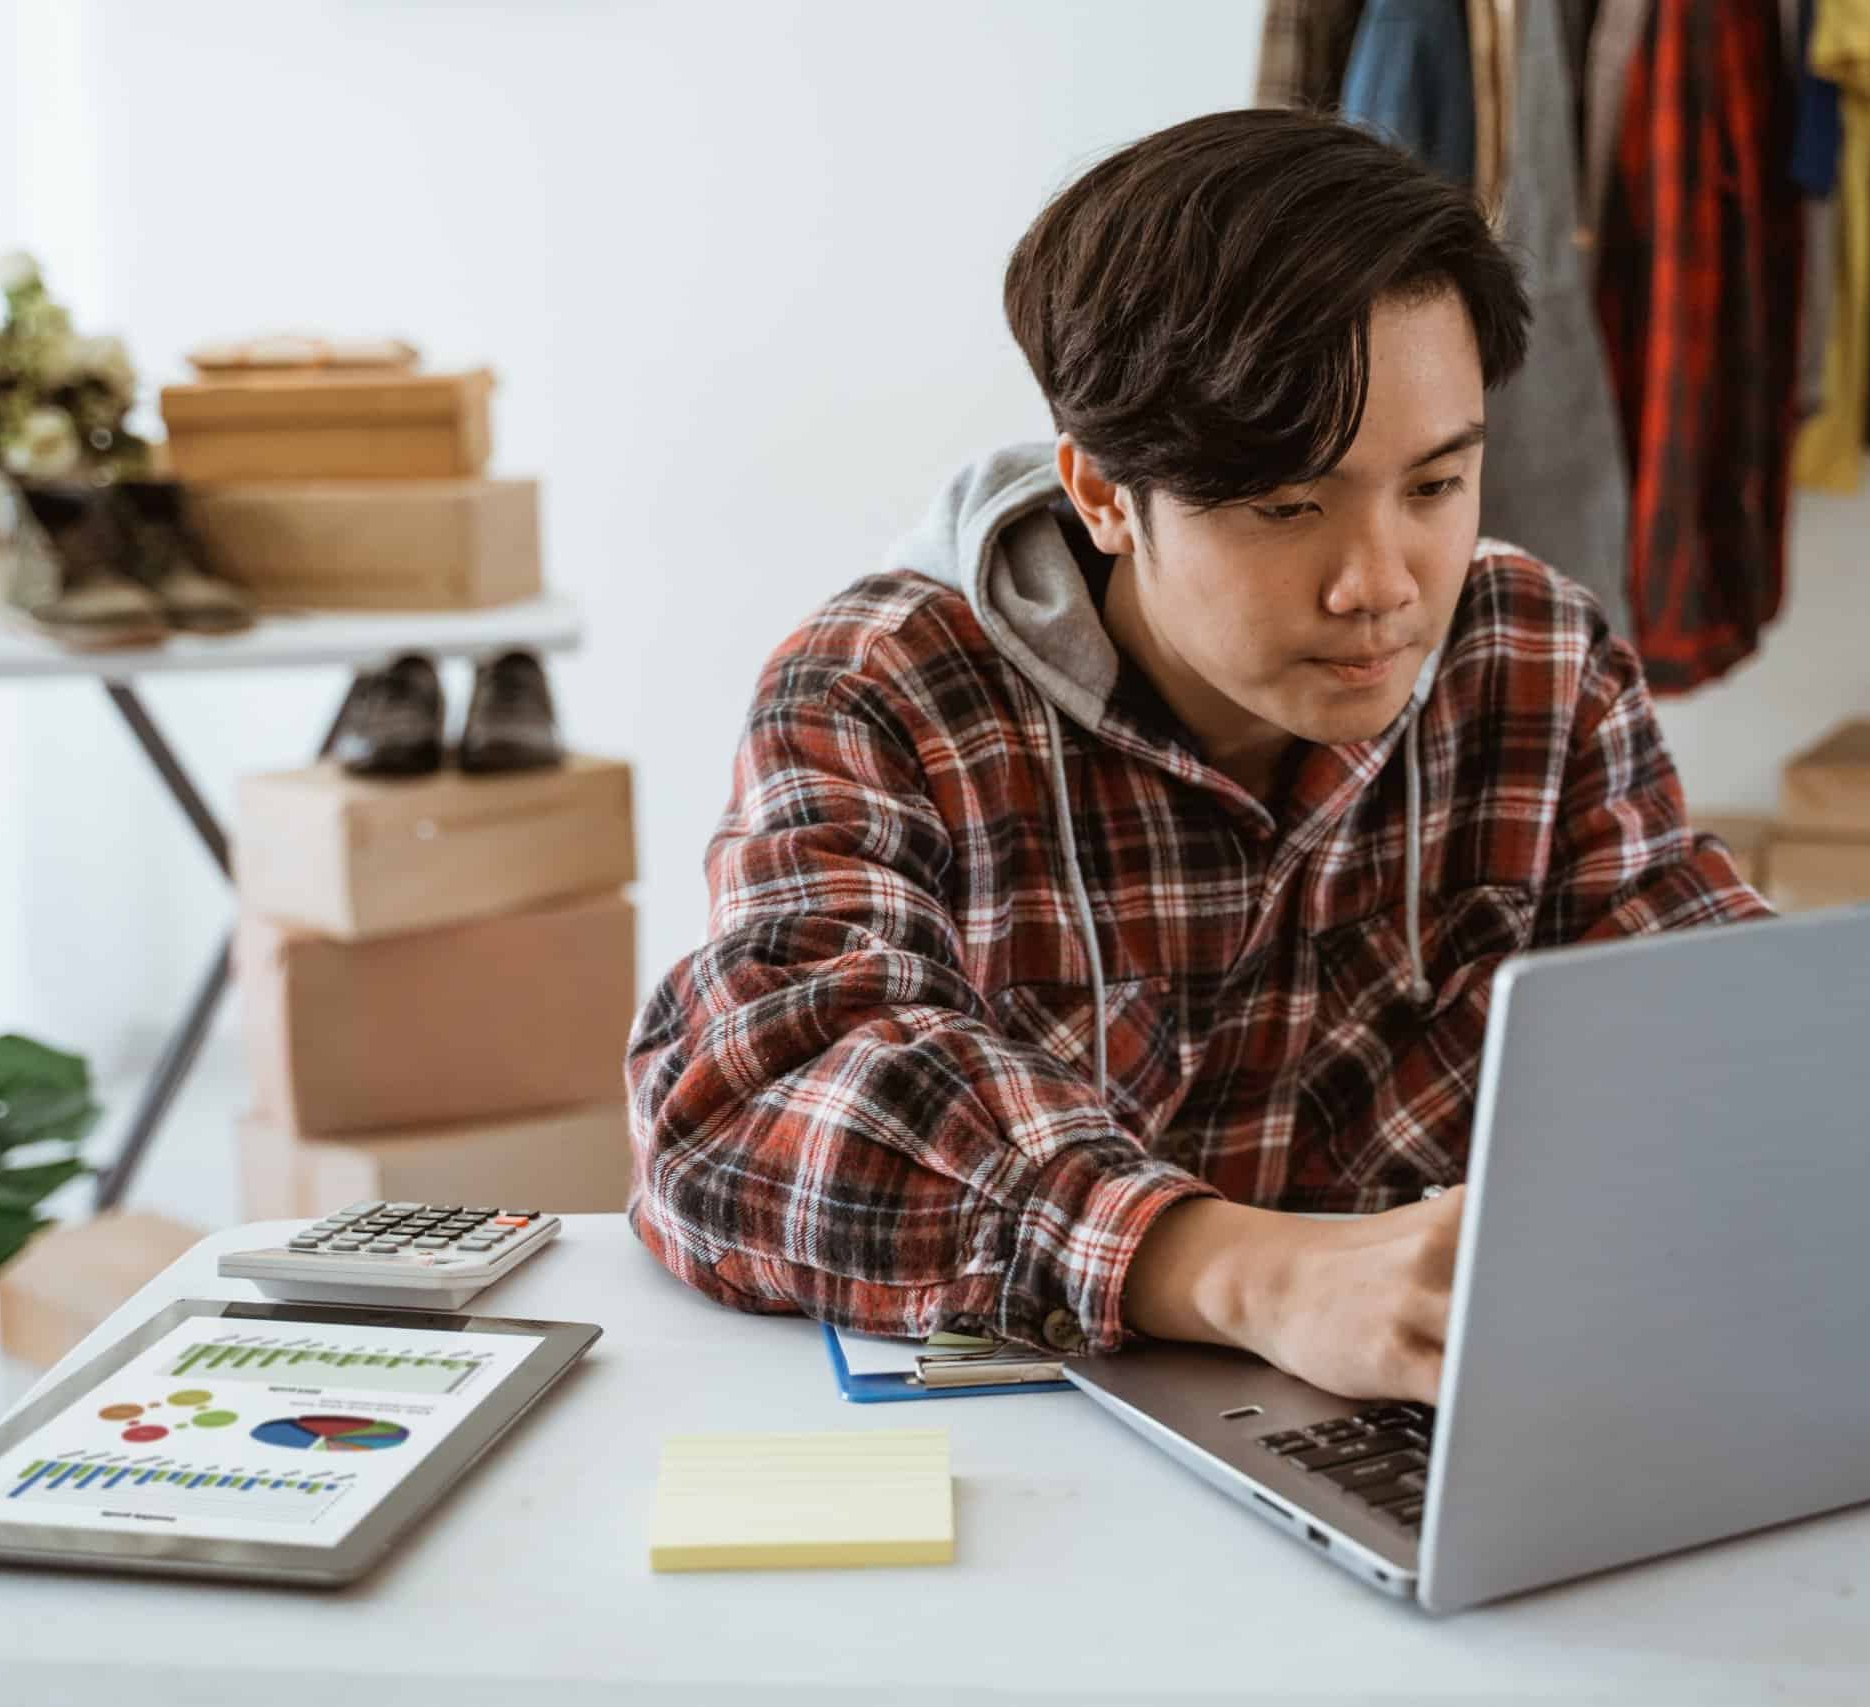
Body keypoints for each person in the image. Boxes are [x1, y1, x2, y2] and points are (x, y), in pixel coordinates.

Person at [624, 108, 1770, 1403]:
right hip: (1033, 1487)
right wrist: (1247, 1273)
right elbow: (737, 1115)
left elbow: (1720, 1025)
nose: (1382, 585)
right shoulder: (883, 690)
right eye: (1289, 508)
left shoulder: (1535, 658)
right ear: (1105, 492)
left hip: (1425, 1446)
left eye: (1437, 487)